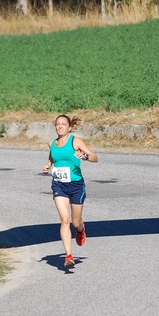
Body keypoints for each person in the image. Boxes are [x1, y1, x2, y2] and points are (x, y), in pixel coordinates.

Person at [42, 114, 98, 269]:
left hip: (76, 186)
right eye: (57, 124)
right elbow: (53, 157)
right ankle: (68, 256)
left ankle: (81, 229)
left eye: (63, 124)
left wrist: (85, 156)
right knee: (64, 220)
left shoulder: (75, 141)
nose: (60, 127)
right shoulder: (52, 143)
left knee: (75, 221)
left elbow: (95, 157)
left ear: (69, 127)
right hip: (59, 185)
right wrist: (48, 165)